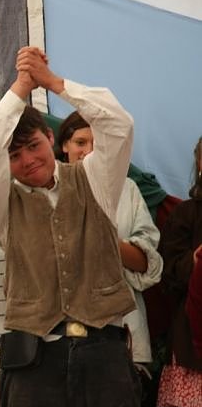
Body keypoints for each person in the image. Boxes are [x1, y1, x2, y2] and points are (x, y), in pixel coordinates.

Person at [0, 46, 143, 407]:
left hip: (103, 353)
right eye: (14, 156)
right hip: (33, 359)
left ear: (51, 138)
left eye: (33, 146)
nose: (28, 160)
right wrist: (20, 88)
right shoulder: (1, 206)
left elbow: (119, 124)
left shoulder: (95, 180)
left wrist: (52, 83)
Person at [55, 113, 163, 369]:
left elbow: (147, 265)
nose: (89, 152)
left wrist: (107, 238)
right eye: (80, 142)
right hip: (60, 337)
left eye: (98, 144)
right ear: (64, 145)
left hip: (123, 332)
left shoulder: (128, 189)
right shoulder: (47, 191)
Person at [156, 137, 202, 407]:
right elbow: (166, 275)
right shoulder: (186, 214)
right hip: (195, 340)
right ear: (199, 164)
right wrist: (194, 261)